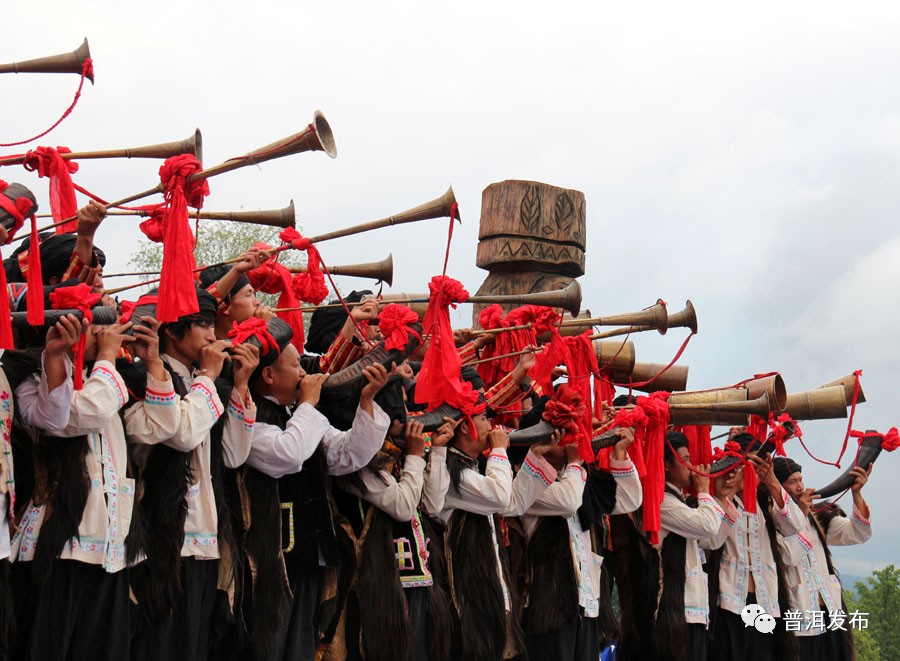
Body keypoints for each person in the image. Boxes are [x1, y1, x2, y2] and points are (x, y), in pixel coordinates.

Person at [237, 316, 392, 661]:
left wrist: (367, 400)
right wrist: (308, 405)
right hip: (266, 564)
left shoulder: (299, 414)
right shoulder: (249, 414)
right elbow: (287, 454)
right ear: (268, 375)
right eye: (296, 366)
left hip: (308, 557)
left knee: (300, 649)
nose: (304, 374)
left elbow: (346, 455)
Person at [126, 288, 257, 661]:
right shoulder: (143, 376)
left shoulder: (204, 382)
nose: (213, 334)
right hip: (160, 540)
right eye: (202, 324)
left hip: (203, 540)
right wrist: (210, 377)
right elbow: (180, 434)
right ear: (171, 330)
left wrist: (240, 385)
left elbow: (232, 455)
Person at [10, 308, 135, 659]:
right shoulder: (30, 381)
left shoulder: (104, 379)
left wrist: (148, 361)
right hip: (57, 547)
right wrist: (106, 356)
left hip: (108, 546)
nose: (104, 333)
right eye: (95, 326)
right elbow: (78, 413)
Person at [519, 423, 641, 660]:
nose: (572, 441)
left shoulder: (579, 480)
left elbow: (630, 500)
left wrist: (620, 455)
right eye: (563, 435)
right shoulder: (529, 481)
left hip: (587, 603)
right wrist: (576, 462)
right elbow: (568, 502)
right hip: (550, 606)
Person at [708, 434, 806, 661]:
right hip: (729, 600)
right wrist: (731, 491)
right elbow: (711, 540)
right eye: (751, 464)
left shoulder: (765, 503)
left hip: (764, 600)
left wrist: (772, 481)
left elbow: (796, 525)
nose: (754, 471)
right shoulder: (718, 499)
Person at [775, 456, 871, 661]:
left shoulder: (818, 516)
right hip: (798, 615)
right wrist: (800, 514)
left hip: (830, 611)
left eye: (801, 479)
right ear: (777, 488)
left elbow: (859, 533)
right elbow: (788, 556)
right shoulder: (770, 521)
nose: (800, 487)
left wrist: (856, 494)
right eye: (792, 482)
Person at [655, 430, 729, 661]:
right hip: (674, 614)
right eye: (685, 460)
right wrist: (704, 491)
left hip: (694, 611)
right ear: (666, 465)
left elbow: (713, 539)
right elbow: (707, 526)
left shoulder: (681, 501)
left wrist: (722, 497)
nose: (691, 466)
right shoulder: (662, 501)